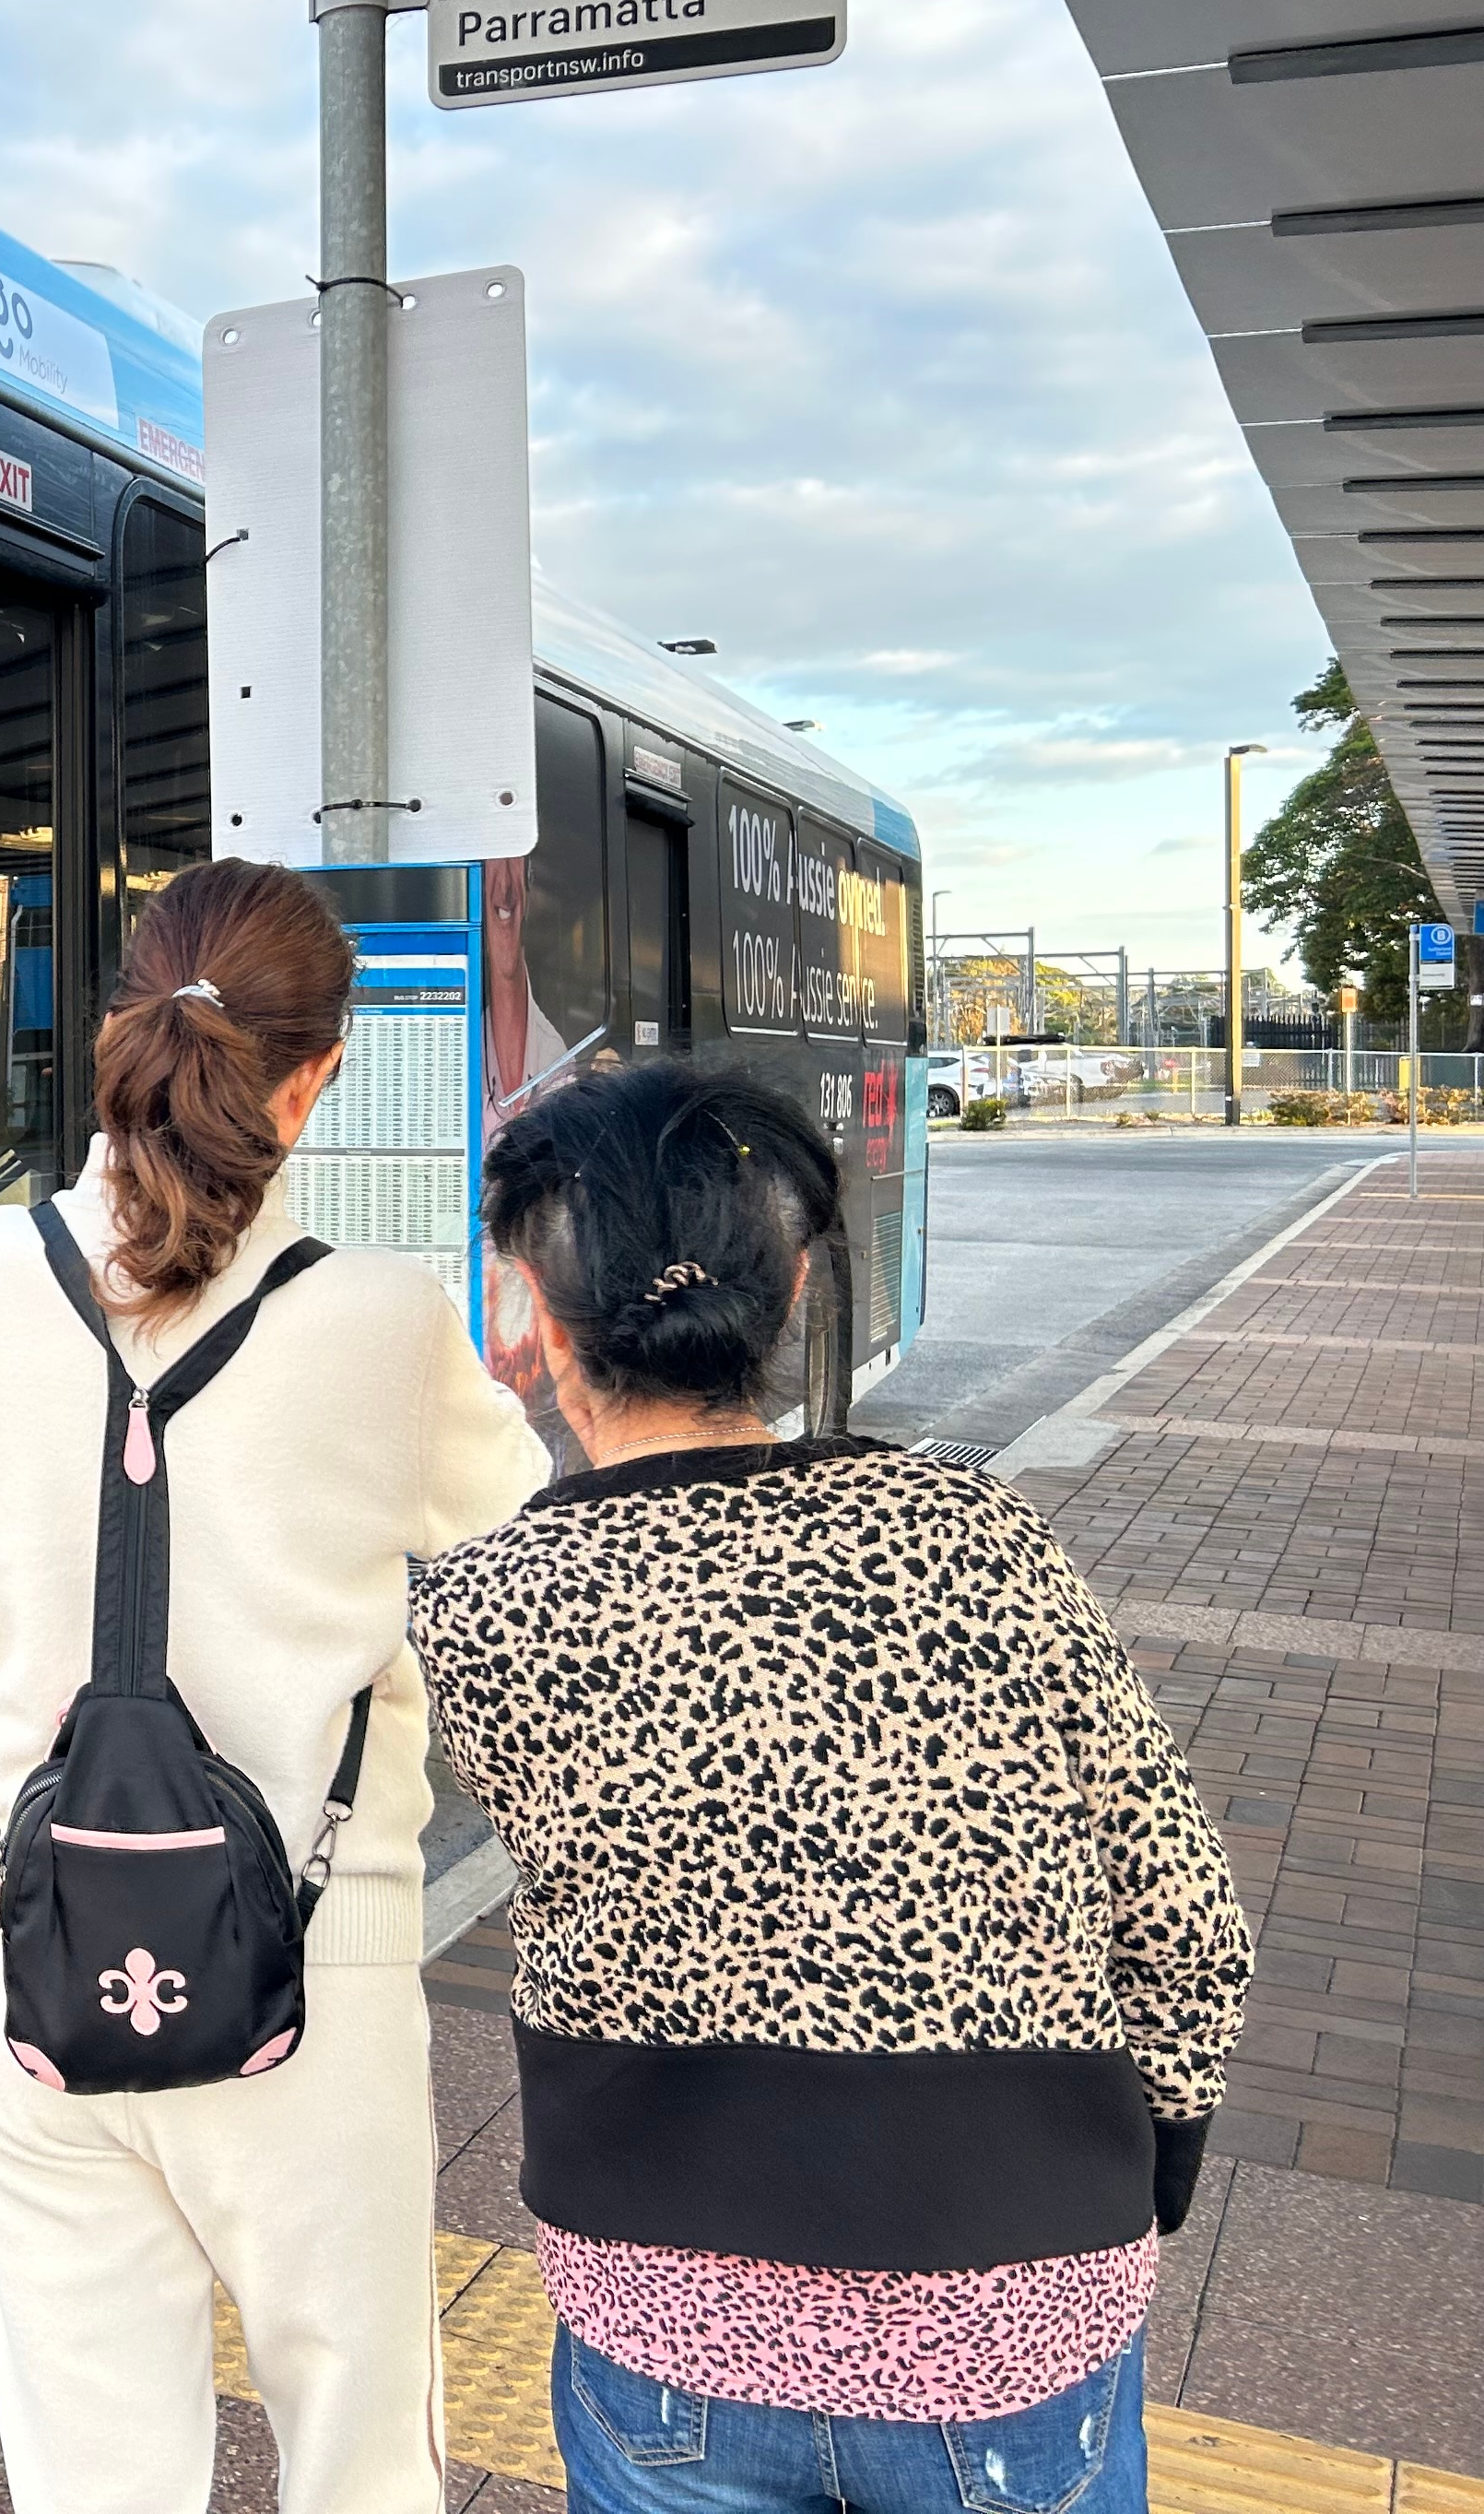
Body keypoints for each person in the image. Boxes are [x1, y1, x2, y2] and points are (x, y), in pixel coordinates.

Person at [412, 1058, 1253, 2514]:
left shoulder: (488, 1609)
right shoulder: (972, 1532)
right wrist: (1141, 2163)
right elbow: (1181, 1917)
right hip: (1017, 2293)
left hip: (666, 2309)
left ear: (535, 1326)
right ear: (795, 1291)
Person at [0, 859, 546, 2514]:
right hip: (312, 1968)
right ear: (319, 1073)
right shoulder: (383, 1322)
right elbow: (529, 1564)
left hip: (30, 1960)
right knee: (357, 2441)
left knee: (90, 2461)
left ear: (120, 1037)